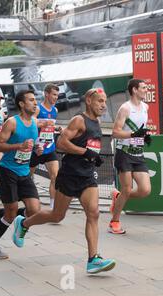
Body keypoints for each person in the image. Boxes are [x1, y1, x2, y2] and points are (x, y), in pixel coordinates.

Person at [11, 88, 116, 274]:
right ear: (89, 101)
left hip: (87, 176)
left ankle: (93, 259)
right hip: (69, 175)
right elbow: (60, 144)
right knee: (57, 215)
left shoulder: (96, 121)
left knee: (94, 213)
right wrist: (86, 152)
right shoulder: (79, 120)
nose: (103, 105)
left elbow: (90, 145)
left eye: (105, 101)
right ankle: (24, 223)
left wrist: (94, 156)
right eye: (100, 101)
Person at [0, 90, 43, 259]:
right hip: (7, 171)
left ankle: (4, 214)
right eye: (31, 100)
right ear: (22, 104)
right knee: (12, 212)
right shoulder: (12, 123)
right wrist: (18, 146)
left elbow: (33, 143)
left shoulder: (35, 122)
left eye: (35, 100)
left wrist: (37, 149)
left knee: (35, 210)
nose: (35, 103)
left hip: (24, 172)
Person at [109, 79, 152, 234]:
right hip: (124, 152)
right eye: (144, 88)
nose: (146, 90)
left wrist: (144, 136)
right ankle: (114, 221)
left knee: (145, 190)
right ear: (134, 90)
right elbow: (115, 132)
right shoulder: (125, 108)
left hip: (138, 153)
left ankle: (118, 197)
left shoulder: (145, 107)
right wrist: (133, 134)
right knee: (127, 189)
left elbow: (141, 129)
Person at [29, 83, 61, 210]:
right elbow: (31, 122)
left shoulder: (55, 110)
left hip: (49, 147)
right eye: (54, 94)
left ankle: (53, 206)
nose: (56, 97)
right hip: (36, 148)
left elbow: (51, 126)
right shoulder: (38, 109)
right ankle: (28, 199)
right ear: (46, 94)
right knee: (28, 177)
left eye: (57, 95)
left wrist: (57, 128)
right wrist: (43, 123)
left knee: (55, 176)